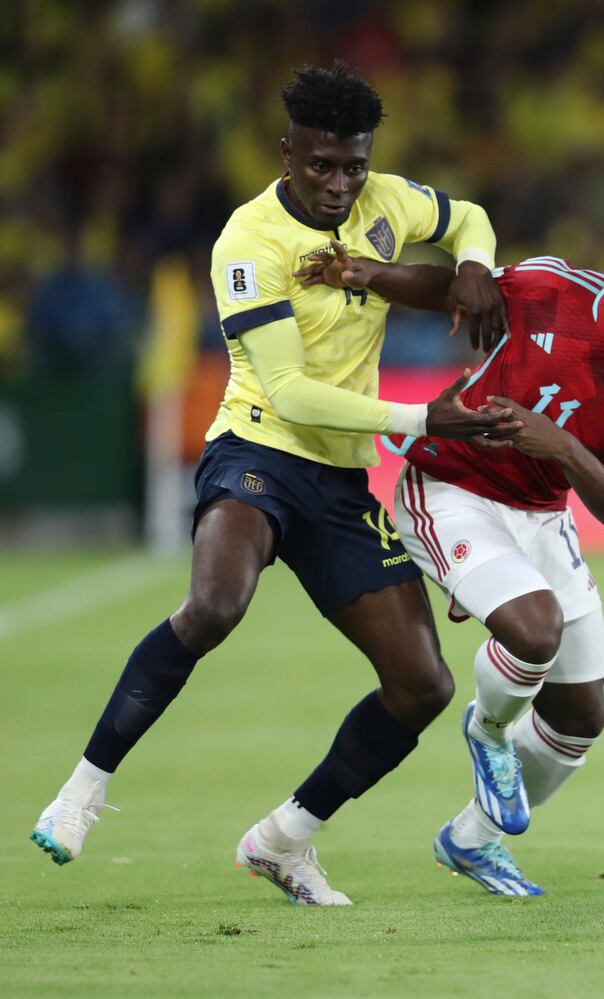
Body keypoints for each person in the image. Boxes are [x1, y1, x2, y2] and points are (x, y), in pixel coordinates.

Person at [30, 62, 519, 906]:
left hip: (338, 481)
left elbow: (466, 214)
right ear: (286, 151)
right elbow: (289, 391)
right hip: (257, 449)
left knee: (424, 684)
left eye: (355, 165)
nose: (340, 184)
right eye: (322, 164)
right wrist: (423, 420)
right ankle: (83, 789)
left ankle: (285, 838)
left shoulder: (389, 204)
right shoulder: (248, 242)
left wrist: (475, 262)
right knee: (215, 604)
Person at [298, 208, 604, 895]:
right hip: (451, 484)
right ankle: (490, 730)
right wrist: (365, 272)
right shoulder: (553, 288)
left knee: (582, 715)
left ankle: (472, 839)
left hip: (542, 514)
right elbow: (457, 292)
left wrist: (562, 449)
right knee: (534, 629)